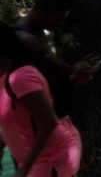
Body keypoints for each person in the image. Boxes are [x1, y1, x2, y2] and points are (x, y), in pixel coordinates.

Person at [0, 23, 81, 177]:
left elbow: (48, 123)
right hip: (35, 160)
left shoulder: (20, 77)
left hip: (50, 158)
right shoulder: (4, 77)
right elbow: (18, 118)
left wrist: (24, 171)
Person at [12, 0, 101, 87]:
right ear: (40, 13)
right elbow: (41, 85)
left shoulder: (37, 28)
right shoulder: (25, 39)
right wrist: (75, 80)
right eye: (58, 18)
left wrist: (72, 69)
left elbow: (50, 57)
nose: (61, 23)